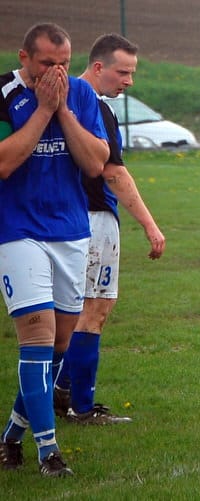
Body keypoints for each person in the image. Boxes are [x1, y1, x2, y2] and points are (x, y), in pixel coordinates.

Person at [0, 23, 109, 476]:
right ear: (25, 58)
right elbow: (4, 163)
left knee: (60, 343)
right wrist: (42, 109)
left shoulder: (81, 96)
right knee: (38, 338)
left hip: (71, 230)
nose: (57, 72)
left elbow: (96, 162)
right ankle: (49, 452)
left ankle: (9, 437)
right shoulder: (5, 94)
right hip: (17, 232)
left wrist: (62, 108)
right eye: (47, 64)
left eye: (64, 63)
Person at [52, 33, 166, 425]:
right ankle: (80, 406)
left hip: (58, 219)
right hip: (93, 219)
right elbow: (113, 173)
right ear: (98, 67)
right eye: (123, 72)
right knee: (93, 311)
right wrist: (151, 226)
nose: (129, 81)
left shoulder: (56, 98)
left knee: (69, 312)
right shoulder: (92, 107)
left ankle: (60, 390)